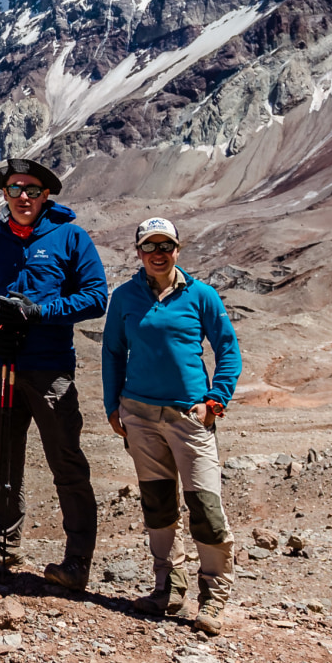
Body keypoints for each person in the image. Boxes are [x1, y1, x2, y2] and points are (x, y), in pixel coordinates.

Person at [0, 159, 109, 588]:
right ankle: (2, 547)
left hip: (49, 369)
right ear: (4, 194)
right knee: (2, 461)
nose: (22, 196)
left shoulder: (70, 237)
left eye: (31, 189)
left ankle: (77, 559)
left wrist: (41, 312)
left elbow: (96, 297)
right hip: (0, 367)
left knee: (66, 460)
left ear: (46, 194)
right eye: (14, 188)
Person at [103, 217, 242, 636]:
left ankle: (214, 596)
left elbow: (227, 348)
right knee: (158, 506)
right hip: (140, 415)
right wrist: (113, 405)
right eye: (150, 246)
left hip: (188, 417)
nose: (158, 253)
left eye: (165, 245)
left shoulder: (201, 295)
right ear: (138, 252)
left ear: (177, 249)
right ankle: (168, 587)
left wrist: (215, 401)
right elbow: (113, 353)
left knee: (206, 508)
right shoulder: (124, 297)